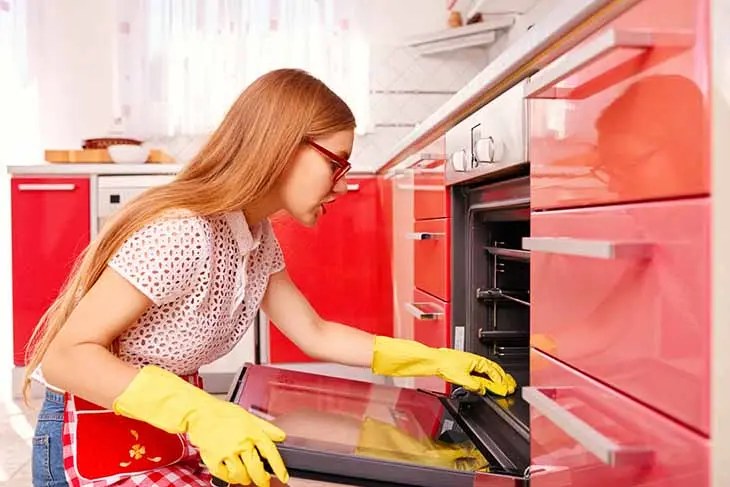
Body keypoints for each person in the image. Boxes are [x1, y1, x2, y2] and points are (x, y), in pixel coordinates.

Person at [24, 68, 516, 487]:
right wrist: (200, 412)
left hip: (162, 427)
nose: (343, 184)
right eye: (336, 163)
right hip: (97, 434)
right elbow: (65, 356)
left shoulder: (253, 236)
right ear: (282, 145)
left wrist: (432, 359)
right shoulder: (182, 232)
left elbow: (314, 332)